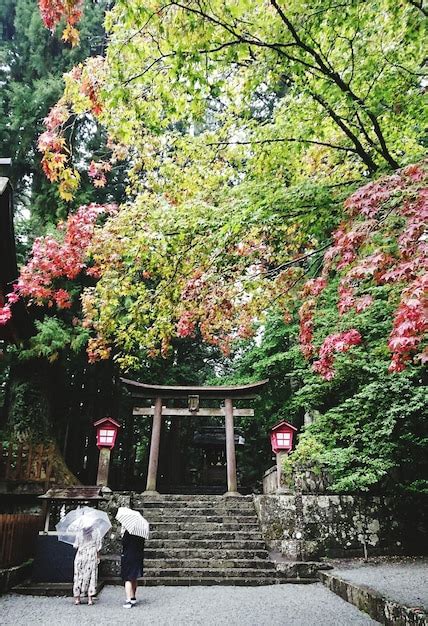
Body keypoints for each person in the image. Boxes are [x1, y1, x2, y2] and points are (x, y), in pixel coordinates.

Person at [73, 525, 102, 605]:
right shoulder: (96, 531)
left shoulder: (79, 531)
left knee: (78, 575)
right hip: (92, 554)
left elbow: (76, 545)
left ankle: (77, 598)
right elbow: (98, 546)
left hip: (81, 554)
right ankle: (90, 598)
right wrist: (98, 556)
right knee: (91, 576)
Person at [121, 526, 145, 608]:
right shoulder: (141, 533)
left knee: (128, 578)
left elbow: (124, 543)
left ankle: (128, 600)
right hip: (138, 556)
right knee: (134, 577)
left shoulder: (128, 532)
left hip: (128, 556)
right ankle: (133, 596)